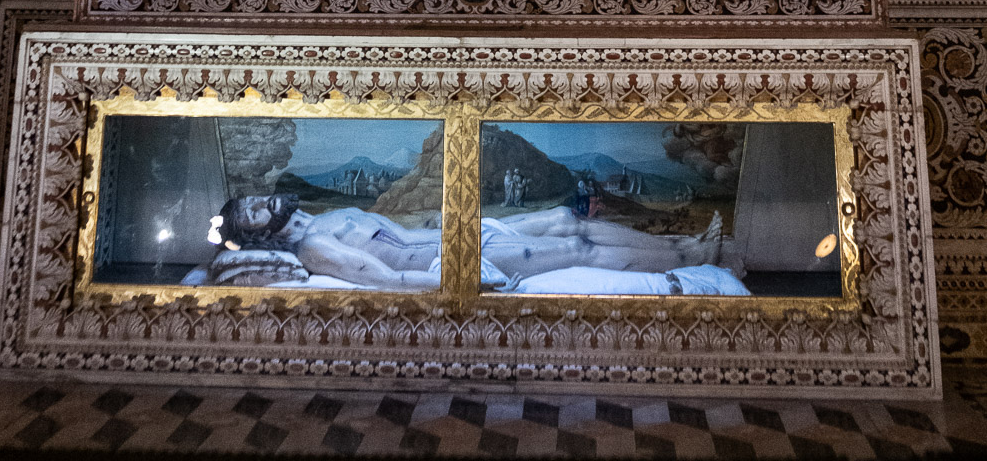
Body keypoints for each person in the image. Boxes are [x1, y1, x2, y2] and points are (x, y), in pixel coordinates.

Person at [184, 193, 748, 294]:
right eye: (257, 212)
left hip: (459, 231)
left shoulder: (328, 214)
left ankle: (678, 241)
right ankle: (692, 258)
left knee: (556, 217)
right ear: (262, 233)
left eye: (259, 197)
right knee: (575, 246)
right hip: (449, 254)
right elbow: (390, 278)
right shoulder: (316, 249)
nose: (267, 203)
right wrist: (458, 276)